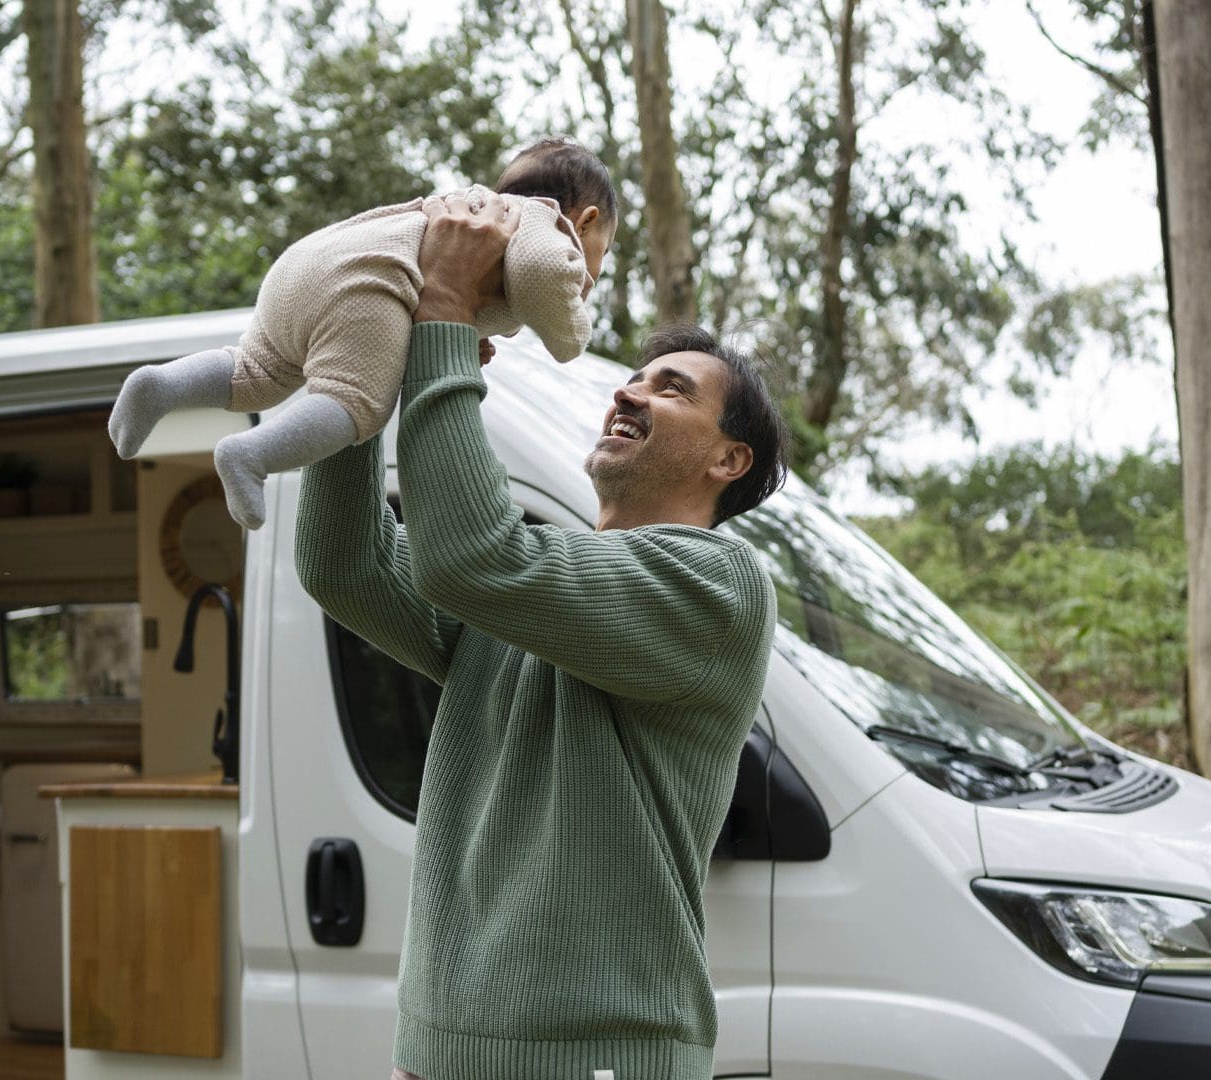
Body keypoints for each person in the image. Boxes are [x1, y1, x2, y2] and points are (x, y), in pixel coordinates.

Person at [294, 192, 791, 1080]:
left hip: (595, 1061)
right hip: (438, 1050)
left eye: (672, 389)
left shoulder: (718, 586)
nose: (629, 390)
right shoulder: (535, 591)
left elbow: (473, 556)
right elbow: (345, 566)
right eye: (636, 377)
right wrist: (360, 365)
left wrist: (446, 317)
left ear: (729, 460)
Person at [106, 138, 618, 530]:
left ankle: (161, 385)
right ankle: (251, 455)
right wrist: (572, 331)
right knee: (357, 402)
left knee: (257, 371)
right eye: (605, 251)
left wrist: (463, 336)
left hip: (307, 264)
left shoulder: (473, 212)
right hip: (367, 282)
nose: (593, 267)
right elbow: (539, 275)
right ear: (586, 222)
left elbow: (448, 296)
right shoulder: (542, 223)